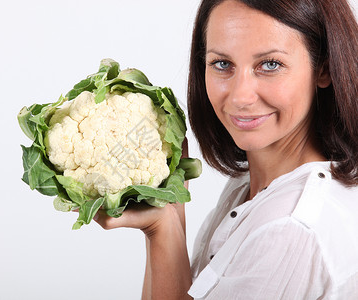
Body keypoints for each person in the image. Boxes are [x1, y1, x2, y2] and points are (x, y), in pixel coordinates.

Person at [95, 0, 358, 299]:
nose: (240, 97)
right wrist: (165, 220)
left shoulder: (290, 229)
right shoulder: (253, 184)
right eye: (222, 64)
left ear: (323, 68)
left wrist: (163, 230)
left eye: (270, 64)